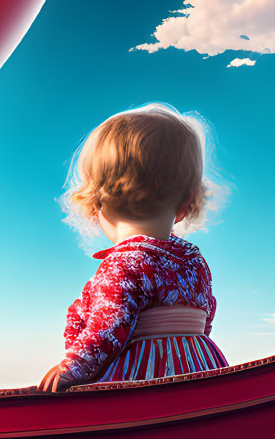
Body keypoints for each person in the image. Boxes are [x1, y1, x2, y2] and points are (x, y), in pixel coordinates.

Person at [39, 104, 228, 392]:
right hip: (201, 368)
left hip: (147, 374)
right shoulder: (194, 261)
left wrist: (72, 368)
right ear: (186, 203)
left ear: (96, 203)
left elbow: (107, 329)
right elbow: (207, 317)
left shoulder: (123, 263)